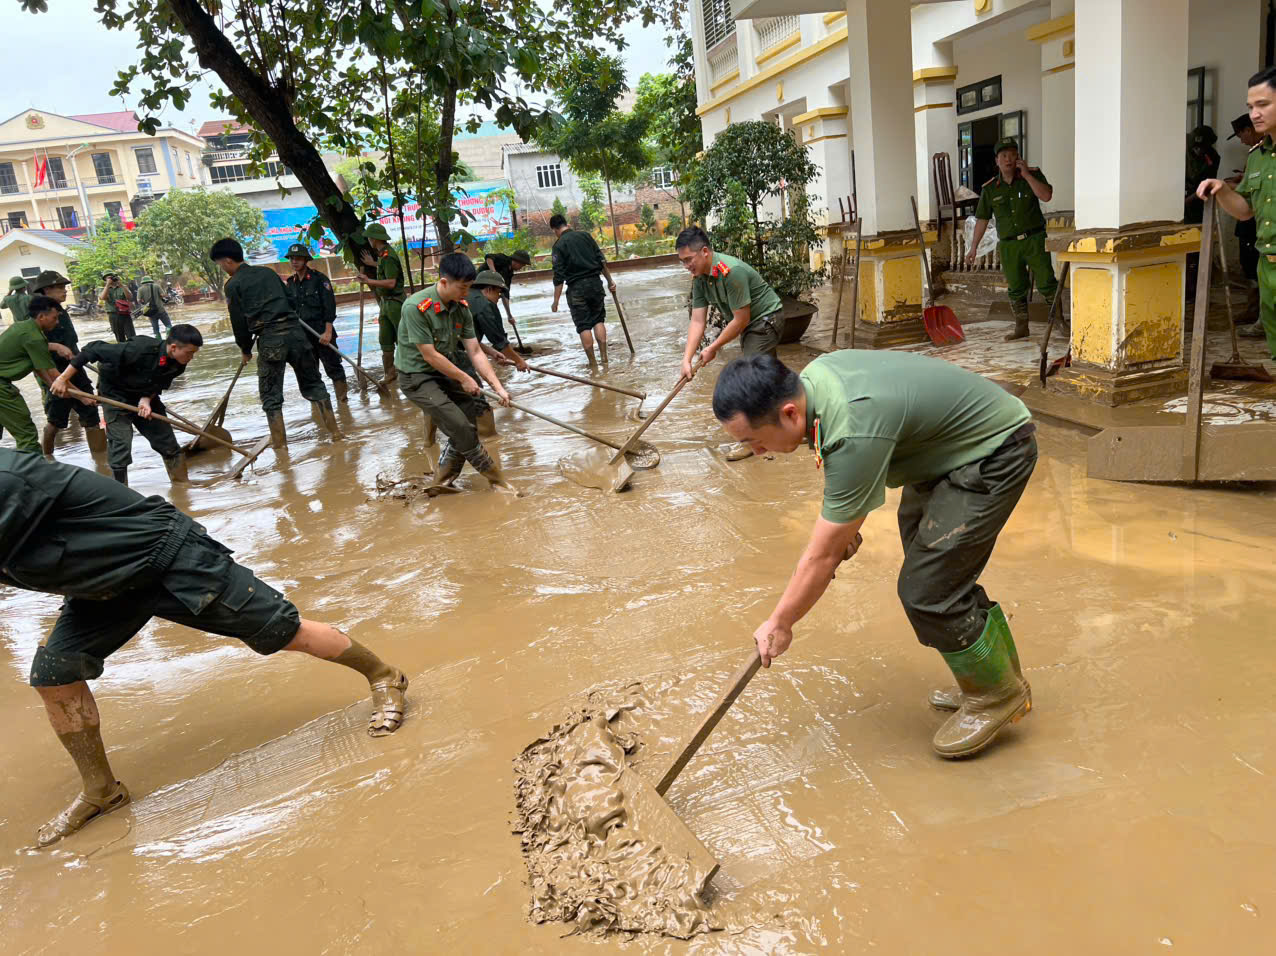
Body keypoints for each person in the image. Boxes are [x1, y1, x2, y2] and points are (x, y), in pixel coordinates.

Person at [0, 449, 408, 848]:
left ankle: (384, 675)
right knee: (55, 675)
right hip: (101, 586)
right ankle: (101, 790)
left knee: (282, 631)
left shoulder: (7, 479)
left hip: (167, 556)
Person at [712, 351, 1037, 759]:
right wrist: (845, 530)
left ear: (791, 414)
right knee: (936, 564)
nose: (757, 452)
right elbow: (851, 473)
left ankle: (996, 695)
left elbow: (821, 555)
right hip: (942, 450)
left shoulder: (850, 430)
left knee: (929, 589)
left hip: (994, 449)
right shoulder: (816, 378)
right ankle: (1000, 679)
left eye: (752, 440)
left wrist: (781, 622)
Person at [395, 252, 515, 494]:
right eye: (463, 288)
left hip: (445, 372)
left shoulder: (461, 308)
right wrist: (464, 377)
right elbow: (429, 355)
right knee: (461, 427)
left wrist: (498, 387)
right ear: (443, 282)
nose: (466, 293)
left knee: (469, 416)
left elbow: (475, 350)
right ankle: (497, 479)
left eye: (469, 287)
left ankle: (442, 481)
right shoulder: (416, 307)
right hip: (417, 376)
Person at [210, 238, 340, 447]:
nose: (222, 269)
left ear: (226, 261)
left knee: (271, 397)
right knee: (315, 385)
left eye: (220, 265)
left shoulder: (233, 284)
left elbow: (238, 322)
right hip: (297, 335)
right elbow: (290, 301)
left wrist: (245, 349)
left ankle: (281, 449)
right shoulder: (268, 273)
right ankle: (336, 434)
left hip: (271, 341)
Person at [676, 225, 786, 462]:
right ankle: (785, 422)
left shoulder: (730, 272)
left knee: (750, 377)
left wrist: (713, 348)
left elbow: (741, 319)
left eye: (689, 259)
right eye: (682, 262)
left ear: (705, 252)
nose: (687, 266)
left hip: (765, 319)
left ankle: (753, 440)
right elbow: (697, 320)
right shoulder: (700, 279)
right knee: (768, 378)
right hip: (749, 323)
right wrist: (687, 359)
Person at [50, 324, 204, 486]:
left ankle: (183, 487)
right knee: (121, 444)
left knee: (168, 443)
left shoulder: (179, 363)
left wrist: (146, 399)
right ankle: (121, 492)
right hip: (115, 395)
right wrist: (62, 379)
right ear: (173, 347)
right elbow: (91, 350)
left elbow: (158, 384)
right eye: (190, 353)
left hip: (143, 395)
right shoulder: (138, 349)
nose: (191, 357)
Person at [1198, 66, 1276, 361]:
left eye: (1263, 104)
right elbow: (1245, 211)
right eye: (1251, 106)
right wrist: (1222, 190)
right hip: (1267, 265)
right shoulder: (1257, 157)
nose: (1254, 113)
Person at [966, 139, 1058, 341]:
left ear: (1019, 158)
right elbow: (982, 219)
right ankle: (1021, 327)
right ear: (997, 161)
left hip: (1034, 238)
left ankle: (1059, 323)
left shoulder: (1032, 175)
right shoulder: (990, 189)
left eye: (1013, 154)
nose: (1009, 159)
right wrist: (973, 247)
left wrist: (1026, 174)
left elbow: (1046, 196)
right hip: (1009, 245)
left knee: (1047, 282)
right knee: (1016, 286)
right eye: (1004, 156)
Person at [29, 271, 107, 461]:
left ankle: (101, 462)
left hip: (76, 369)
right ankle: (46, 459)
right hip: (54, 374)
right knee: (55, 421)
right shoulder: (37, 316)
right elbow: (30, 345)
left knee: (91, 415)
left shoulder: (61, 312)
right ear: (47, 290)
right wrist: (55, 347)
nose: (65, 291)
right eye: (61, 288)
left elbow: (71, 341)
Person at [0, 295, 76, 454]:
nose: (57, 322)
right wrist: (83, 397)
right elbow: (54, 374)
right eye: (54, 318)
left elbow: (39, 367)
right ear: (41, 316)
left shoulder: (23, 327)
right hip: (1, 388)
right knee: (26, 435)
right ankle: (36, 476)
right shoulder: (34, 337)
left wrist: (53, 386)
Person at [461, 270, 529, 438]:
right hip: (456, 355)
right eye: (499, 293)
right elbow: (501, 342)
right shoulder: (484, 305)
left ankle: (429, 442)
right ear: (489, 289)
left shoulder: (469, 296)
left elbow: (466, 336)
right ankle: (490, 439)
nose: (499, 298)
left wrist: (490, 352)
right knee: (477, 396)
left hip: (445, 350)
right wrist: (520, 361)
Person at [549, 213, 617, 367]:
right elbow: (601, 261)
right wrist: (610, 281)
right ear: (566, 224)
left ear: (554, 229)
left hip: (576, 289)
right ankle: (604, 359)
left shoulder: (558, 246)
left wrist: (556, 301)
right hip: (595, 284)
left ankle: (593, 364)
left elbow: (558, 277)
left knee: (583, 326)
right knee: (598, 320)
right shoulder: (586, 236)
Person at [284, 243, 347, 404]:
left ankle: (343, 403)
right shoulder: (290, 283)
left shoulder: (319, 279)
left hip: (321, 332)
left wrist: (328, 332)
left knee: (334, 368)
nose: (294, 262)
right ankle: (319, 406)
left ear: (305, 260)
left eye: (298, 258)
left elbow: (329, 307)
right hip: (303, 336)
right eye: (292, 258)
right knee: (310, 372)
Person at [353, 224, 406, 386]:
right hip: (386, 304)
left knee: (403, 339)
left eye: (369, 237)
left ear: (374, 239)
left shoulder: (388, 255)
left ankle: (409, 372)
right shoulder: (383, 256)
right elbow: (386, 268)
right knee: (385, 339)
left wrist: (368, 281)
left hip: (395, 303)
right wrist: (373, 264)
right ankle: (389, 372)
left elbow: (391, 282)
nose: (368, 240)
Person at [1226, 113, 1264, 332]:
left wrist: (1225, 188)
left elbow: (1251, 192)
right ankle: (1255, 311)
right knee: (1249, 266)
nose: (1241, 140)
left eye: (1241, 134)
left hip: (1258, 222)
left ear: (1249, 130)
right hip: (1250, 220)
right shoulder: (1256, 155)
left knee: (1255, 266)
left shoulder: (1263, 153)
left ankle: (1259, 316)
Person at [483, 248, 532, 330]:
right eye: (522, 265)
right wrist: (494, 273)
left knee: (496, 317)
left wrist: (509, 316)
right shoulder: (503, 259)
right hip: (478, 289)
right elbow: (489, 257)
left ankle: (502, 340)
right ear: (517, 261)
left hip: (489, 296)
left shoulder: (509, 274)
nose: (521, 267)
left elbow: (505, 294)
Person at [135, 273, 174, 338]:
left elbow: (139, 300)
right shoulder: (156, 286)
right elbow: (162, 295)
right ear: (150, 280)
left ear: (143, 282)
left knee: (155, 329)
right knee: (168, 325)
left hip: (151, 312)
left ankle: (158, 341)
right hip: (160, 309)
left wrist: (145, 302)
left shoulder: (140, 289)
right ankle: (168, 335)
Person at [100, 273, 136, 343]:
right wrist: (107, 285)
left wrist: (122, 285)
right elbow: (102, 297)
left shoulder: (122, 287)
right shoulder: (104, 289)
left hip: (125, 314)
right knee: (119, 337)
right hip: (113, 315)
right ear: (105, 280)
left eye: (112, 277)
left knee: (131, 336)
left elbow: (130, 297)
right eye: (109, 278)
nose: (111, 280)